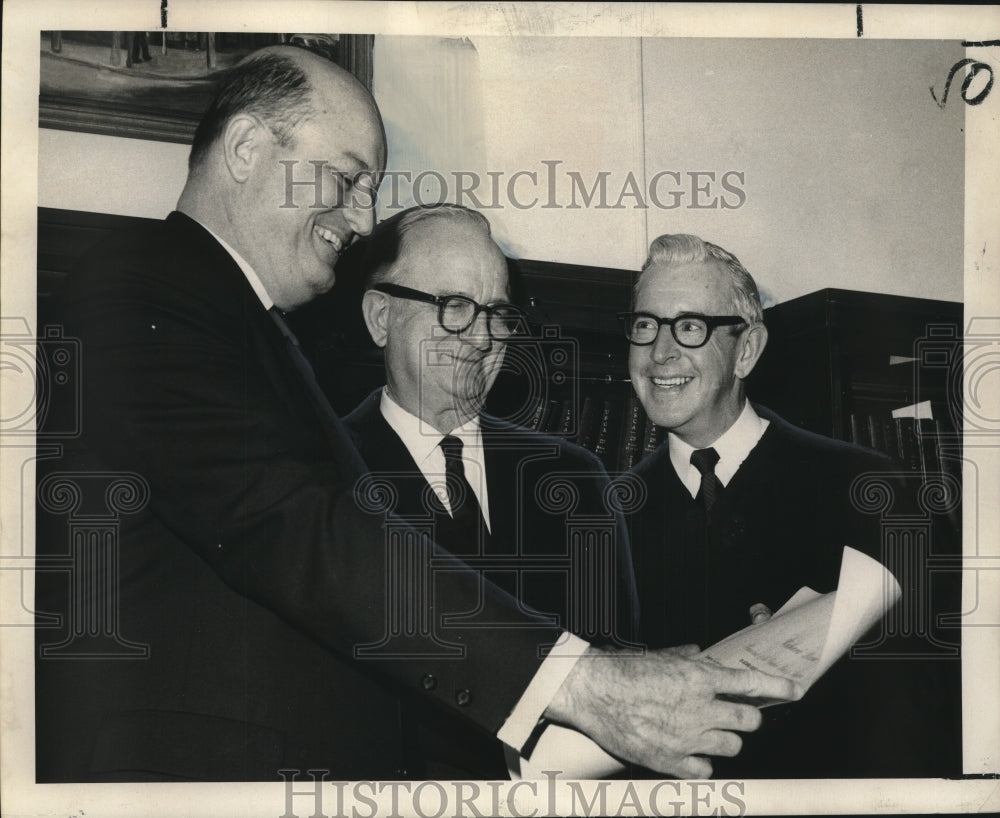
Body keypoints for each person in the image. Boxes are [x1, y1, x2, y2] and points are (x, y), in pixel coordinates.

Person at [35, 46, 797, 783]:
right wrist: (580, 682)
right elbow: (296, 528)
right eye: (347, 179)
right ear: (244, 148)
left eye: (493, 312)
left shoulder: (249, 329)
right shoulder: (146, 282)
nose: (363, 217)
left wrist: (668, 669)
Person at [619, 233, 960, 777]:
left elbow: (934, 716)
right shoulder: (603, 517)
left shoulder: (873, 491)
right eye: (645, 325)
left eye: (689, 326)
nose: (660, 352)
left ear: (747, 349)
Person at [343, 204, 638, 778]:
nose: (481, 337)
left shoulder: (574, 480)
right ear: (381, 316)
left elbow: (615, 672)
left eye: (497, 313)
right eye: (454, 307)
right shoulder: (325, 475)